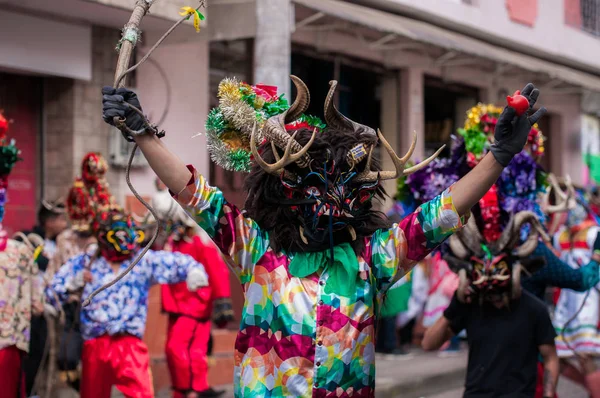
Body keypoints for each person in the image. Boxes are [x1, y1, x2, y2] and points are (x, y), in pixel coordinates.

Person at [102, 77, 545, 396]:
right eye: (310, 188)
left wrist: (498, 157)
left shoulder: (373, 260)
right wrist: (143, 134)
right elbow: (194, 193)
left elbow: (441, 214)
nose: (323, 200)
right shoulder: (256, 250)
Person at [48, 207, 210, 398]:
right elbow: (52, 291)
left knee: (141, 394)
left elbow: (178, 262)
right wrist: (73, 283)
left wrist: (194, 271)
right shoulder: (86, 261)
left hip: (129, 345)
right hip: (95, 343)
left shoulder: (140, 260)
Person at [422, 212, 559, 398]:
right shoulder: (470, 305)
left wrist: (549, 393)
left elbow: (550, 357)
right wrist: (454, 306)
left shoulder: (534, 309)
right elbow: (429, 343)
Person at [152, 182, 234, 398]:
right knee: (192, 350)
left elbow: (217, 271)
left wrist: (222, 300)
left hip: (195, 304)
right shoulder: (172, 242)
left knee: (177, 348)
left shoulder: (199, 242)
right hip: (177, 304)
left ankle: (189, 389)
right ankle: (193, 388)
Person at [0, 132, 46, 398]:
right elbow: (37, 304)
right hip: (9, 347)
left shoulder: (20, 251)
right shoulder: (21, 252)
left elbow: (36, 303)